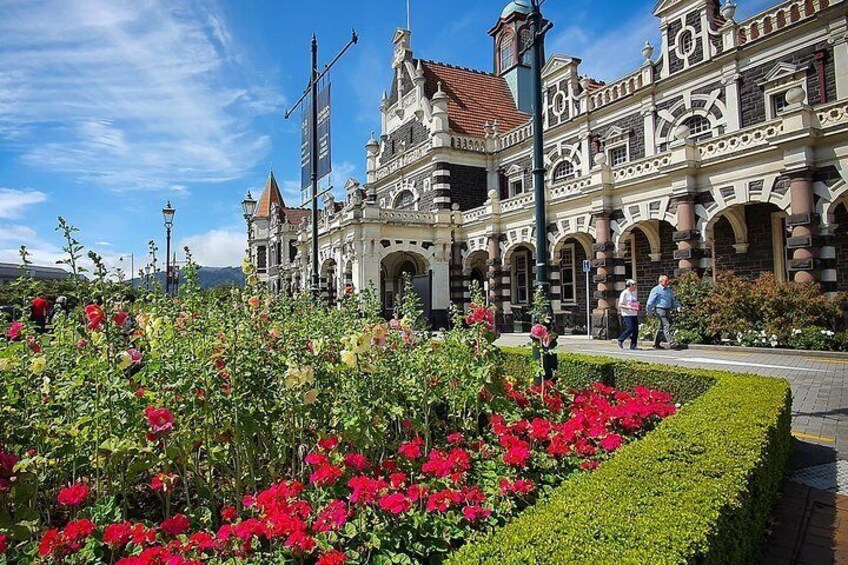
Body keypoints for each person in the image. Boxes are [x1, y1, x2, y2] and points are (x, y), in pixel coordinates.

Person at [646, 274, 680, 349]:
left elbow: (673, 300)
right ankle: (672, 343)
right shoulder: (656, 289)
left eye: (668, 280)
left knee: (661, 327)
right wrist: (649, 312)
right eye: (666, 280)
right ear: (660, 281)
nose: (667, 282)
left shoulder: (669, 290)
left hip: (667, 309)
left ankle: (656, 344)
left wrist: (678, 306)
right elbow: (650, 302)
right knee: (666, 325)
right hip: (660, 309)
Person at [616, 279, 640, 350]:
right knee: (631, 328)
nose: (635, 286)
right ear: (629, 285)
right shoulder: (624, 293)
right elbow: (620, 304)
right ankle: (620, 339)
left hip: (634, 313)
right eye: (633, 285)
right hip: (627, 314)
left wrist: (636, 306)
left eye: (635, 284)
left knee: (635, 330)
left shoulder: (633, 293)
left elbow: (634, 302)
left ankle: (633, 345)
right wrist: (628, 307)